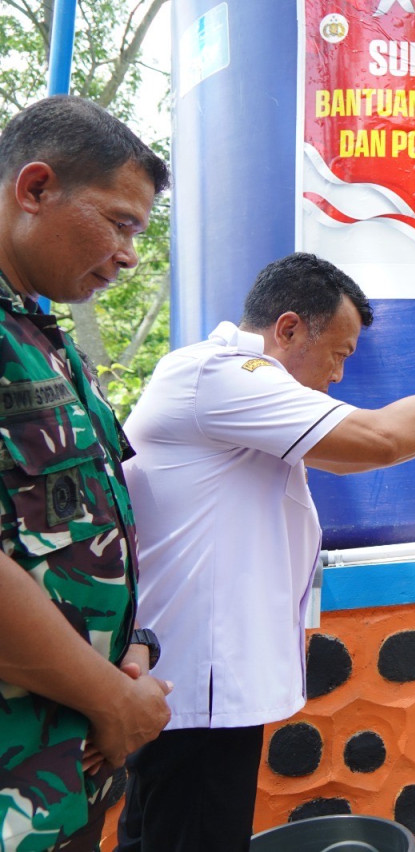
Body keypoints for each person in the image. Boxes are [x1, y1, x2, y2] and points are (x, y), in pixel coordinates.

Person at [116, 252, 415, 851]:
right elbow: (378, 437)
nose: (339, 375)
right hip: (197, 689)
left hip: (199, 686)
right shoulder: (222, 375)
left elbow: (343, 454)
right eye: (338, 353)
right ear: (288, 329)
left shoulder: (235, 394)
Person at [0, 96, 173, 851]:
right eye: (121, 222)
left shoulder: (44, 338)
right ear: (34, 189)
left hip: (66, 771)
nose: (132, 253)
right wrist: (114, 699)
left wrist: (132, 649)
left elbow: (75, 532)